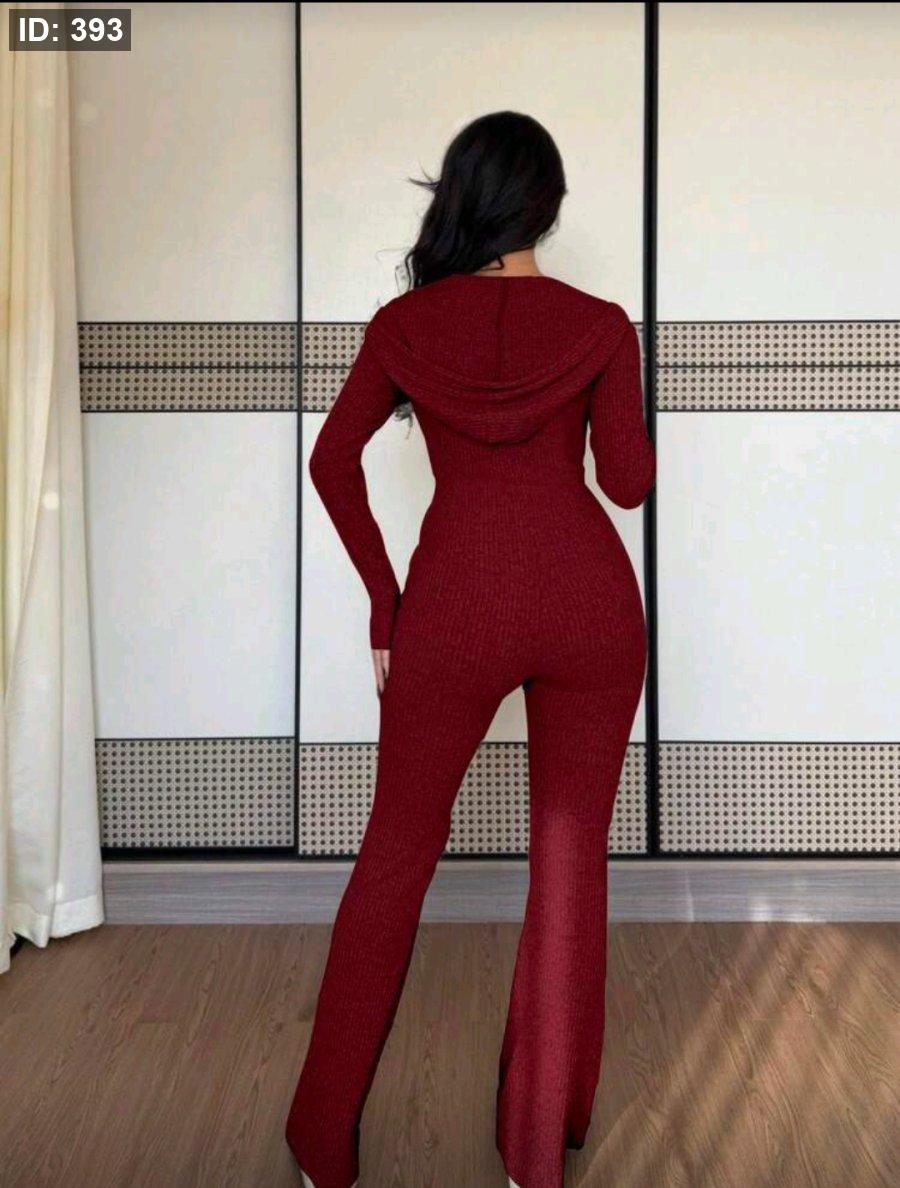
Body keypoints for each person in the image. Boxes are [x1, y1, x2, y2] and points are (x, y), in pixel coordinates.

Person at [286, 110, 656, 1188]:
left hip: (452, 607)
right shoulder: (602, 325)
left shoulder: (404, 328)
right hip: (591, 608)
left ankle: (321, 1144)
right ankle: (534, 1154)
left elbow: (331, 461)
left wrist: (384, 601)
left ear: (462, 201)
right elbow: (627, 485)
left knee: (396, 852)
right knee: (569, 862)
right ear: (547, 208)